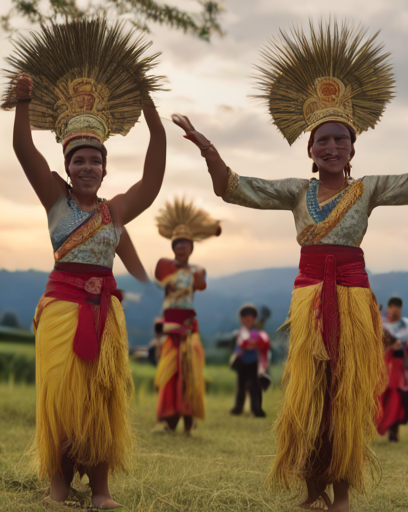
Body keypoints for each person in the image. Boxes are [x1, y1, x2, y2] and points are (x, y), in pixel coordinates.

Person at [172, 20, 408, 512]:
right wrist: (208, 148)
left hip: (352, 300)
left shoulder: (367, 189)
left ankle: (343, 494)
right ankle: (312, 492)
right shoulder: (294, 191)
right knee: (310, 396)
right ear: (309, 150)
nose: (332, 147)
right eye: (322, 140)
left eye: (340, 140)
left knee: (348, 397)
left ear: (353, 148)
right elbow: (235, 188)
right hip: (310, 300)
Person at [3, 19, 166, 509]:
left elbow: (154, 175)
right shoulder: (55, 198)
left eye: (95, 160)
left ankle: (99, 489)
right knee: (60, 398)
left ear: (105, 166)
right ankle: (58, 485)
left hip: (104, 313)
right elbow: (21, 149)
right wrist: (24, 101)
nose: (87, 167)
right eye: (79, 160)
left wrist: (150, 108)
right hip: (60, 309)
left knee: (101, 400)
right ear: (68, 165)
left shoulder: (116, 210)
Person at [153, 198, 221, 435]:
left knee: (190, 374)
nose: (181, 246)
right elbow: (161, 275)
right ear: (173, 246)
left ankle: (188, 422)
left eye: (185, 242)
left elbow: (201, 284)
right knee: (171, 374)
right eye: (177, 242)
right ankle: (170, 422)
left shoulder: (198, 272)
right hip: (170, 326)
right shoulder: (164, 266)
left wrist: (211, 230)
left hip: (189, 326)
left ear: (191, 246)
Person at [378, 297, 408, 441]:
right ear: (389, 308)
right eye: (392, 307)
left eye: (397, 307)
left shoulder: (405, 324)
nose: (394, 310)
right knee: (382, 396)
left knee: (396, 397)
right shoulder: (381, 322)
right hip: (384, 364)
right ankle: (384, 426)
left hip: (398, 366)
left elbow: (403, 338)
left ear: (400, 309)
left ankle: (393, 430)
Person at [230, 303, 271, 418]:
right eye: (245, 317)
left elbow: (262, 345)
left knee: (255, 386)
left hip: (254, 362)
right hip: (242, 362)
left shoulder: (258, 332)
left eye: (250, 317)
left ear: (254, 319)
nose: (248, 319)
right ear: (241, 319)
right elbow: (239, 345)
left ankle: (257, 409)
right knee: (241, 386)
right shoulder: (239, 333)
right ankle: (238, 408)